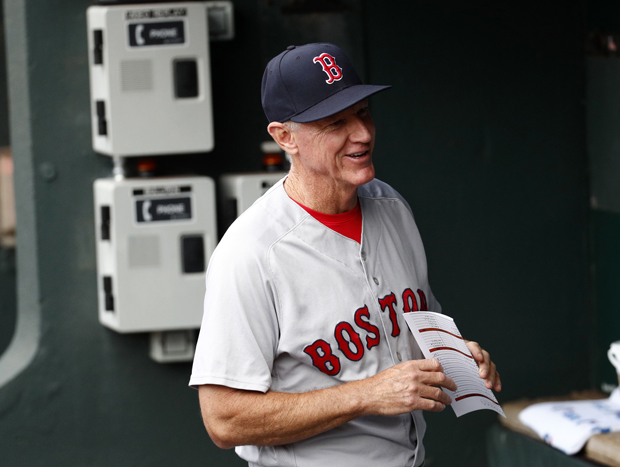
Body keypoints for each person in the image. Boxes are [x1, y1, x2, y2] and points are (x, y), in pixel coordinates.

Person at [189, 43, 500, 467]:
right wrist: (366, 395)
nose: (363, 133)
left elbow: (409, 327)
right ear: (285, 137)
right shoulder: (251, 252)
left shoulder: (392, 207)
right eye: (336, 122)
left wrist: (458, 356)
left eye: (363, 112)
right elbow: (223, 420)